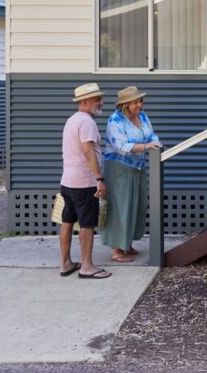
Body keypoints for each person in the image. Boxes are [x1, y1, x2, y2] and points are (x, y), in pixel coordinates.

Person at [101, 86, 162, 263]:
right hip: (119, 168)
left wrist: (156, 142)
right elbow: (121, 147)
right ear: (125, 105)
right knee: (120, 207)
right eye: (135, 102)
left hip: (138, 167)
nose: (139, 105)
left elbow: (151, 135)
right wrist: (146, 146)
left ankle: (126, 242)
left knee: (137, 205)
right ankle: (116, 249)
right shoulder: (115, 121)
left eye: (140, 101)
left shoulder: (142, 117)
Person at [59, 83, 111, 279]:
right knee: (87, 224)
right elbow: (88, 151)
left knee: (67, 221)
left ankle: (65, 264)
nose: (101, 102)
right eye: (98, 99)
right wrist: (99, 178)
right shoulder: (87, 122)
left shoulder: (72, 120)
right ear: (85, 101)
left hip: (68, 181)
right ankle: (87, 266)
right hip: (84, 181)